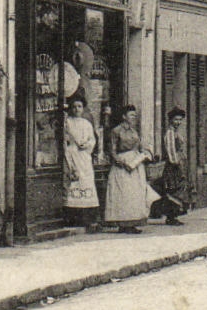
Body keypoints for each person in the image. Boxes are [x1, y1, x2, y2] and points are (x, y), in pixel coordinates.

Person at [105, 104, 154, 234]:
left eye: (134, 115)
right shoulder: (116, 131)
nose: (134, 117)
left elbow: (139, 147)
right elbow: (112, 151)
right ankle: (123, 224)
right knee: (123, 194)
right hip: (123, 166)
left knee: (134, 194)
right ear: (124, 117)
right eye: (131, 115)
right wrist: (121, 162)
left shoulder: (134, 131)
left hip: (135, 164)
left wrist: (144, 154)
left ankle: (132, 223)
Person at [62, 93, 101, 232]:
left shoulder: (87, 124)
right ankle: (73, 216)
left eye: (79, 106)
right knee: (74, 183)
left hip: (84, 156)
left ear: (83, 108)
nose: (76, 109)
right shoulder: (67, 123)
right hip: (73, 154)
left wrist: (88, 144)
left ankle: (87, 217)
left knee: (86, 182)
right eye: (74, 107)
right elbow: (65, 140)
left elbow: (92, 140)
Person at [150, 108, 189, 226]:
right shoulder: (170, 133)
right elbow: (170, 150)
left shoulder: (176, 132)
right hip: (173, 166)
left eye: (180, 120)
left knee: (177, 189)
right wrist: (176, 162)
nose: (178, 122)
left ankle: (174, 215)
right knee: (173, 189)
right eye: (176, 119)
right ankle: (170, 216)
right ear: (171, 120)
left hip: (179, 164)